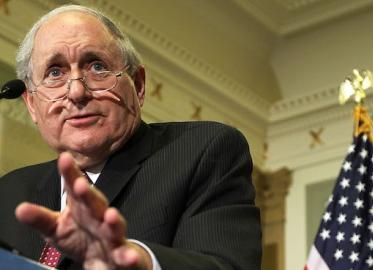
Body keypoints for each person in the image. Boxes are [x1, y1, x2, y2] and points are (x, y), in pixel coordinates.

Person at [0, 4, 261, 270]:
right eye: (55, 72)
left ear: (138, 85)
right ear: (31, 104)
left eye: (97, 67)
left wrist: (141, 261)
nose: (77, 91)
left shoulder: (202, 151)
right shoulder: (9, 192)